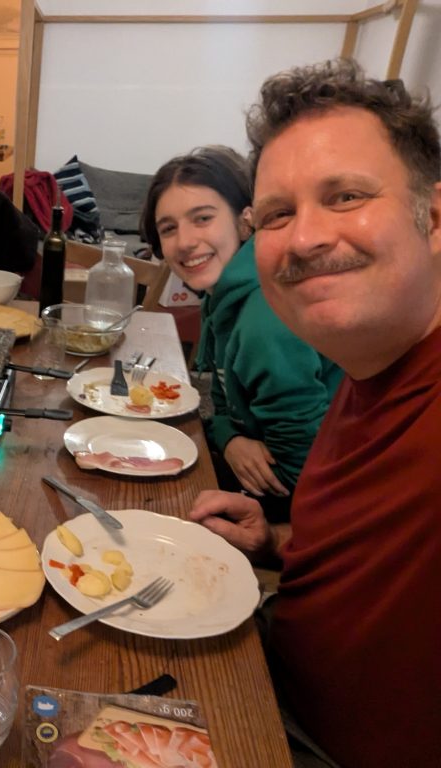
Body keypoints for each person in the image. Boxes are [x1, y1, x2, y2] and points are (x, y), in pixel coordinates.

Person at [189, 59, 441, 768]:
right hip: (271, 675)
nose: (304, 239)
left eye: (346, 196)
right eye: (278, 214)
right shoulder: (363, 368)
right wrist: (274, 539)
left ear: (433, 218)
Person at [140, 146, 341, 519]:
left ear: (246, 220)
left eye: (202, 218)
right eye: (169, 228)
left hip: (305, 504)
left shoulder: (264, 318)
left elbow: (304, 471)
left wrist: (269, 536)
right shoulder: (222, 297)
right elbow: (222, 405)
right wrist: (228, 438)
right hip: (266, 467)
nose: (184, 241)